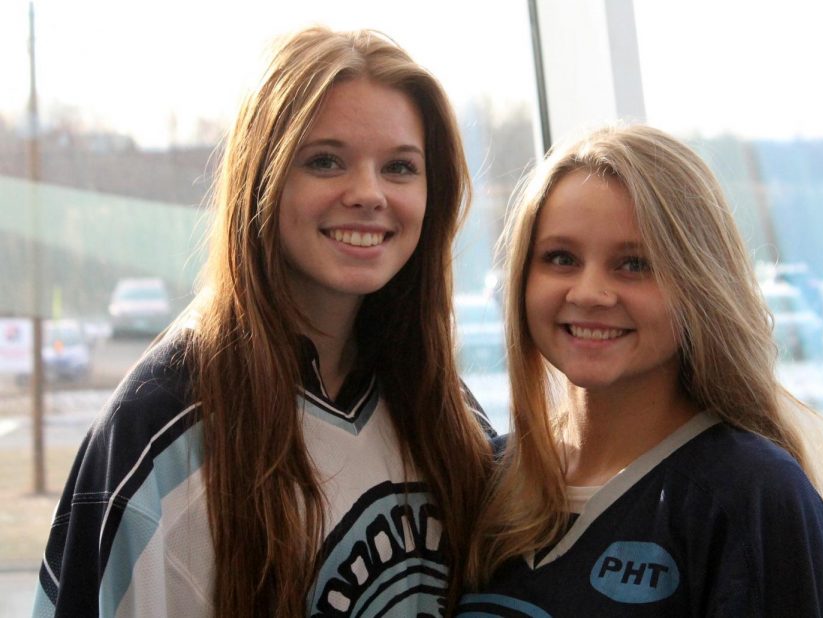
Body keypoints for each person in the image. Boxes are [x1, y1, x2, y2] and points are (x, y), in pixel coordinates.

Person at [33, 27, 494, 617]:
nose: (369, 193)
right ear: (262, 181)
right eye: (325, 161)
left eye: (400, 167)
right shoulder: (161, 420)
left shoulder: (444, 411)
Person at [459, 125, 823, 616]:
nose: (589, 293)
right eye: (561, 258)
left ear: (698, 283)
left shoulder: (755, 496)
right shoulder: (484, 480)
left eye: (634, 264)